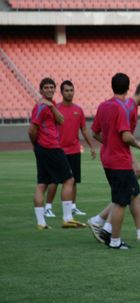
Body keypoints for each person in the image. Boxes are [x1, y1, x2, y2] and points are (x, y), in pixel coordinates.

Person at [88, 79, 140, 242]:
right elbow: (124, 137)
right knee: (124, 195)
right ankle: (103, 225)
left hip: (116, 157)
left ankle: (137, 231)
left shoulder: (129, 107)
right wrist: (133, 161)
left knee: (132, 193)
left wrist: (110, 143)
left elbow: (104, 135)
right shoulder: (127, 108)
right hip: (120, 159)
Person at [29, 77, 87, 229]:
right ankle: (67, 217)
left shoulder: (51, 105)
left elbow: (61, 120)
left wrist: (52, 106)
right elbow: (32, 129)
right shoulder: (40, 107)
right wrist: (36, 144)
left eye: (51, 87)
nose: (49, 90)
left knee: (42, 183)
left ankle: (41, 223)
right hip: (51, 147)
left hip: (45, 148)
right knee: (69, 180)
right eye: (46, 88)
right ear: (41, 90)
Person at [43, 80, 97, 218]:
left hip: (74, 150)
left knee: (74, 180)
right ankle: (48, 207)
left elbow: (84, 129)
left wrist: (91, 146)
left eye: (71, 90)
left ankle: (72, 206)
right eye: (66, 90)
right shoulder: (56, 108)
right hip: (58, 150)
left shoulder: (78, 110)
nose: (69, 93)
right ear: (61, 92)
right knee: (54, 180)